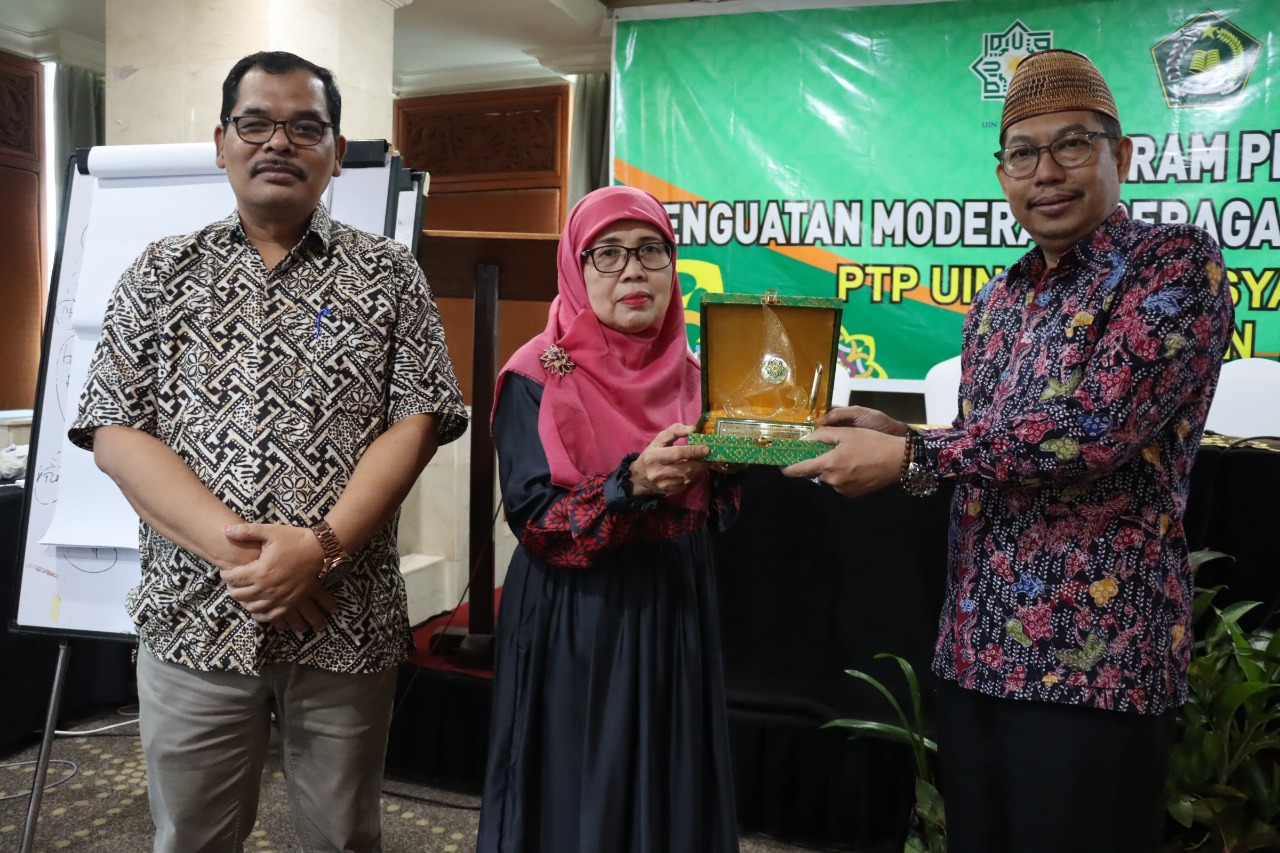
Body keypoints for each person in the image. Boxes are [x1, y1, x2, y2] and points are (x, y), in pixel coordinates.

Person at [782, 49, 1234, 853]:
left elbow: (1093, 428)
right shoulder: (996, 300)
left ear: (1122, 154)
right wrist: (905, 436)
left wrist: (913, 459)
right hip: (976, 652)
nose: (1046, 172)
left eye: (1072, 144)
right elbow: (994, 450)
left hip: (1094, 667)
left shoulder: (1172, 264)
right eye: (1023, 153)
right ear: (1002, 174)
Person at [68, 51, 467, 853]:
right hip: (195, 615)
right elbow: (115, 431)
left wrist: (319, 548)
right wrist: (254, 563)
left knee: (344, 836)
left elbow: (419, 420)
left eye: (304, 128)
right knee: (191, 837)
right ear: (222, 142)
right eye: (255, 124)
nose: (278, 142)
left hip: (344, 616)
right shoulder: (159, 272)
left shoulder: (388, 274)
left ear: (336, 151)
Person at [476, 185, 741, 853]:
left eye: (651, 251)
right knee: (581, 785)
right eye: (608, 253)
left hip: (674, 604)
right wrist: (632, 484)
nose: (632, 271)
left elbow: (717, 513)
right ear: (575, 267)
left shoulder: (698, 376)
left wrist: (731, 467)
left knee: (671, 779)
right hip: (577, 614)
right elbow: (536, 520)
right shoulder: (534, 375)